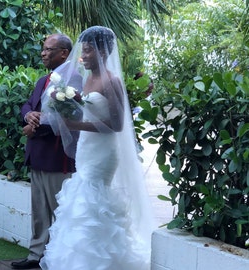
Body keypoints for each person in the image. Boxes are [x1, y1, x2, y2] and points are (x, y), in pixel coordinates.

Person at [39, 26, 156, 270]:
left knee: (91, 200)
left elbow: (116, 125)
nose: (84, 56)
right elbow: (89, 108)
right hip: (86, 148)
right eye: (83, 50)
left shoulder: (110, 81)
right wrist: (72, 104)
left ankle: (96, 263)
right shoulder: (87, 78)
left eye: (89, 51)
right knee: (81, 199)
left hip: (103, 153)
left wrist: (76, 123)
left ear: (103, 53)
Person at [11, 33, 82, 270]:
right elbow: (29, 104)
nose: (43, 53)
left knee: (58, 211)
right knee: (39, 211)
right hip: (37, 153)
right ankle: (35, 256)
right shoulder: (43, 80)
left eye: (48, 49)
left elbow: (69, 117)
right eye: (43, 49)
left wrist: (34, 129)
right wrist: (27, 116)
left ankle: (59, 258)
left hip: (56, 155)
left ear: (64, 52)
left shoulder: (74, 79)